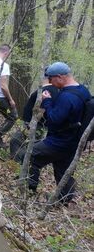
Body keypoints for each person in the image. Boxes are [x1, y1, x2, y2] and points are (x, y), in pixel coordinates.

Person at [27, 62, 91, 204]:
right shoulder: (83, 90)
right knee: (62, 170)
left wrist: (47, 101)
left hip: (59, 142)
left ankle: (28, 189)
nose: (50, 82)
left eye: (51, 79)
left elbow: (54, 120)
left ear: (60, 77)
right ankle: (65, 199)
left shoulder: (67, 97)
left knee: (31, 154)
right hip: (74, 142)